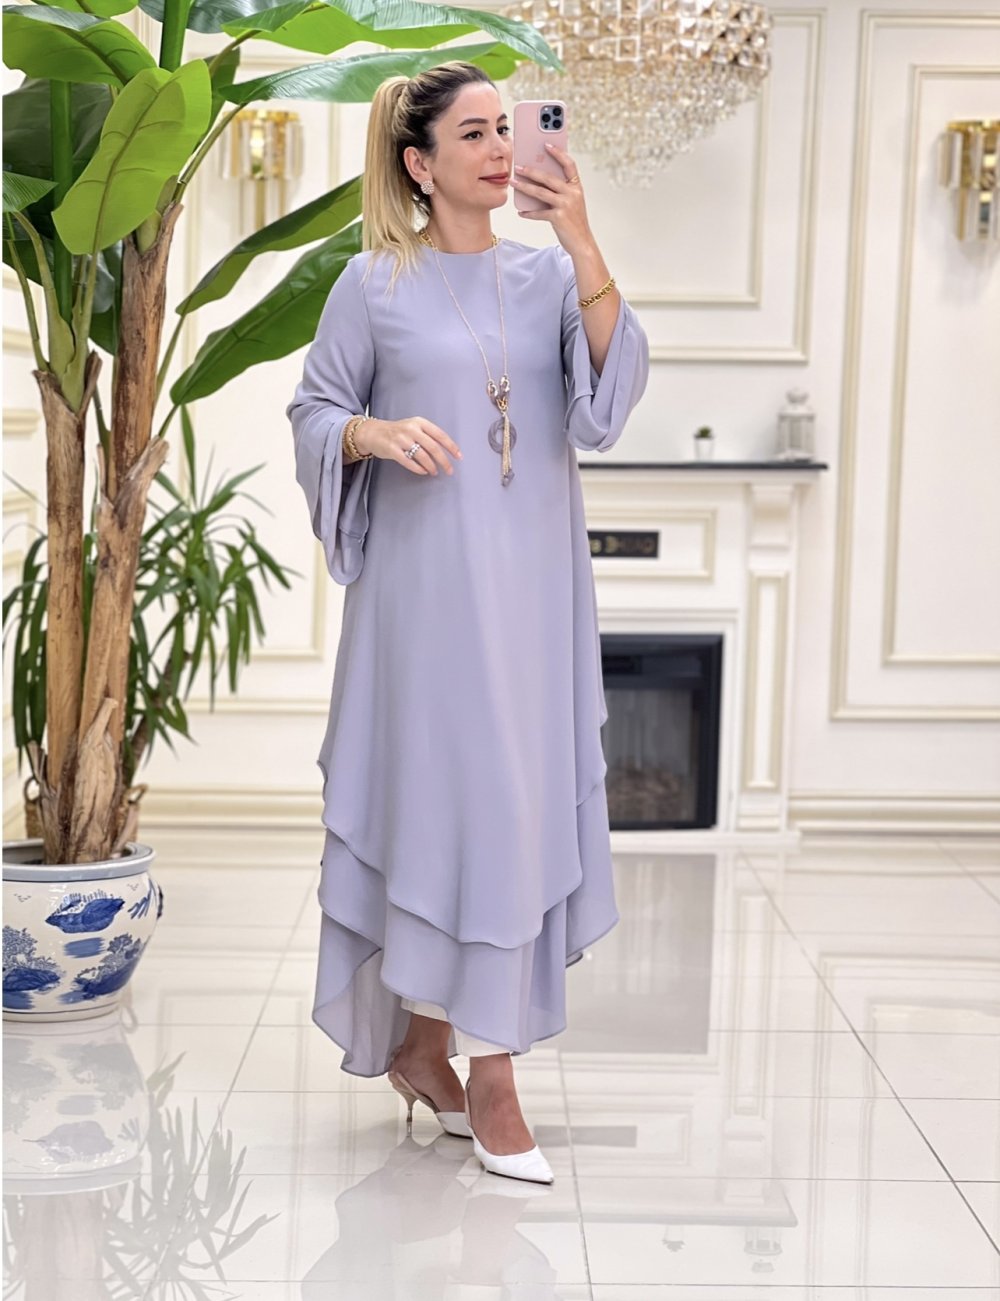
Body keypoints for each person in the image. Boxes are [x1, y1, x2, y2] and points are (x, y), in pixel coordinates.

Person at [286, 61, 649, 1185]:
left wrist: (580, 235)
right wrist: (372, 434)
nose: (500, 150)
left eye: (507, 129)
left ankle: (431, 1046)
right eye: (476, 134)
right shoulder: (372, 284)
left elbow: (607, 404)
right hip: (423, 604)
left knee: (509, 810)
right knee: (444, 809)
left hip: (531, 596)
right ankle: (487, 1075)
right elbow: (316, 408)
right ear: (420, 162)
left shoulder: (545, 278)